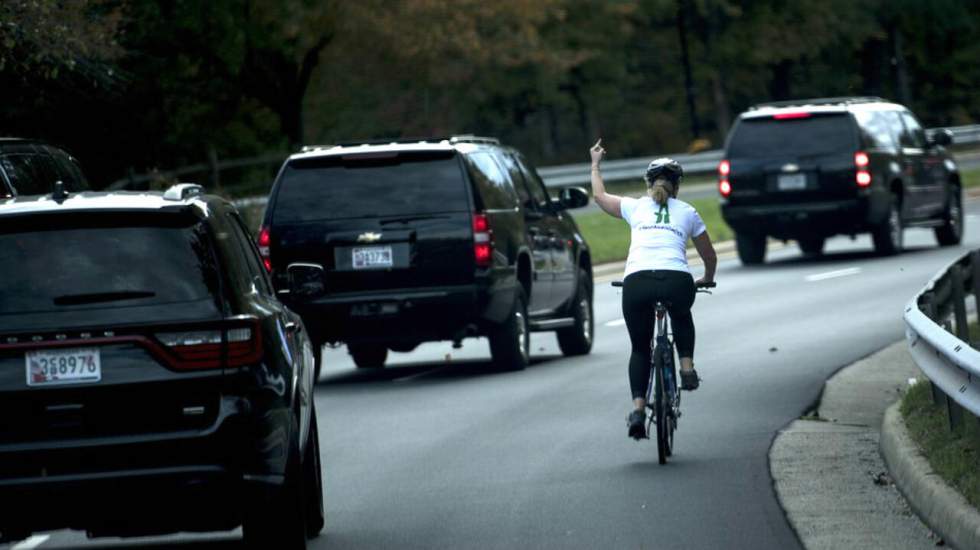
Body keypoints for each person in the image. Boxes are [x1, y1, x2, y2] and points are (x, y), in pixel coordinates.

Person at [589, 139, 717, 440]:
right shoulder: (688, 211)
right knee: (682, 314)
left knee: (639, 348)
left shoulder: (634, 207)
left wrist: (595, 163)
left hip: (637, 282)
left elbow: (599, 196)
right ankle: (686, 368)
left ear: (649, 183)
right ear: (678, 185)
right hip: (676, 280)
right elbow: (708, 255)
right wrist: (707, 277)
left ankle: (637, 408)